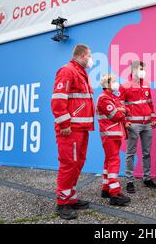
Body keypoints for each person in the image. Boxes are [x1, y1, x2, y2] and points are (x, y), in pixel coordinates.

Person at [51, 44, 95, 220]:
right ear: (82, 55)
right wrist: (64, 124)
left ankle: (71, 197)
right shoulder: (67, 71)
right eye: (89, 55)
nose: (91, 59)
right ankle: (62, 204)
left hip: (81, 128)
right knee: (69, 163)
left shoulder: (81, 73)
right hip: (70, 130)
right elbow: (58, 100)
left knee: (78, 163)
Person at [120, 61, 156, 193]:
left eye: (144, 69)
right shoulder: (125, 86)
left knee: (146, 153)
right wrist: (125, 121)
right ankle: (129, 181)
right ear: (134, 70)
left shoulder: (147, 85)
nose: (144, 71)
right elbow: (121, 106)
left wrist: (153, 117)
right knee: (130, 153)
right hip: (133, 124)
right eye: (141, 69)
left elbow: (150, 103)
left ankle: (147, 178)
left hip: (147, 124)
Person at [96, 74, 132, 206]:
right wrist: (122, 110)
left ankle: (106, 189)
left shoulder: (113, 97)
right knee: (114, 161)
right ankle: (114, 193)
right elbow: (116, 115)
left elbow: (125, 110)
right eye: (114, 81)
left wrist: (122, 110)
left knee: (109, 161)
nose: (117, 83)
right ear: (107, 84)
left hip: (115, 134)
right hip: (109, 134)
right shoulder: (103, 98)